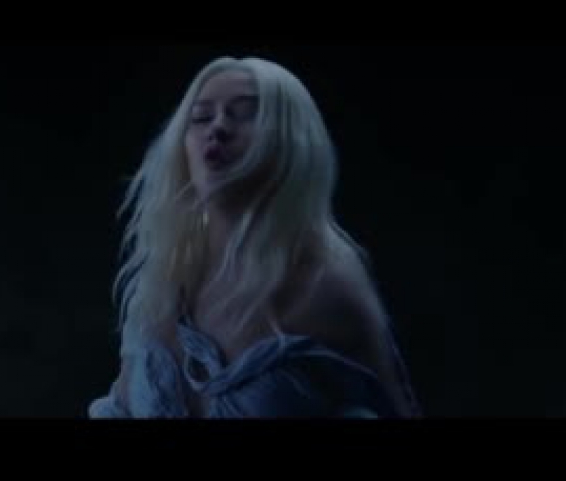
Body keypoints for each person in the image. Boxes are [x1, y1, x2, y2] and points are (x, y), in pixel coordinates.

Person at [88, 56, 422, 419]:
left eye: (245, 114)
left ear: (292, 139)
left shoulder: (327, 284)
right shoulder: (165, 278)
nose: (217, 128)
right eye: (201, 117)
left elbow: (398, 407)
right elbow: (122, 404)